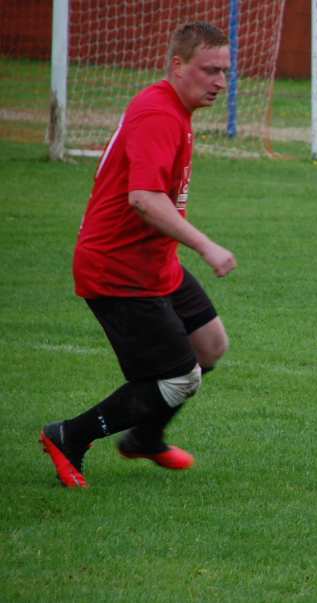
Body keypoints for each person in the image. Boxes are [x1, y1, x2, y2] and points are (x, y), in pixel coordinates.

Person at [40, 22, 236, 488]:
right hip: (116, 271)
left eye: (226, 71)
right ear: (177, 66)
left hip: (153, 264)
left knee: (210, 345)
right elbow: (144, 198)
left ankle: (145, 438)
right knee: (178, 378)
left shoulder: (176, 109)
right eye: (210, 70)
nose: (221, 82)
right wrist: (206, 245)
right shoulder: (159, 114)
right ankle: (69, 435)